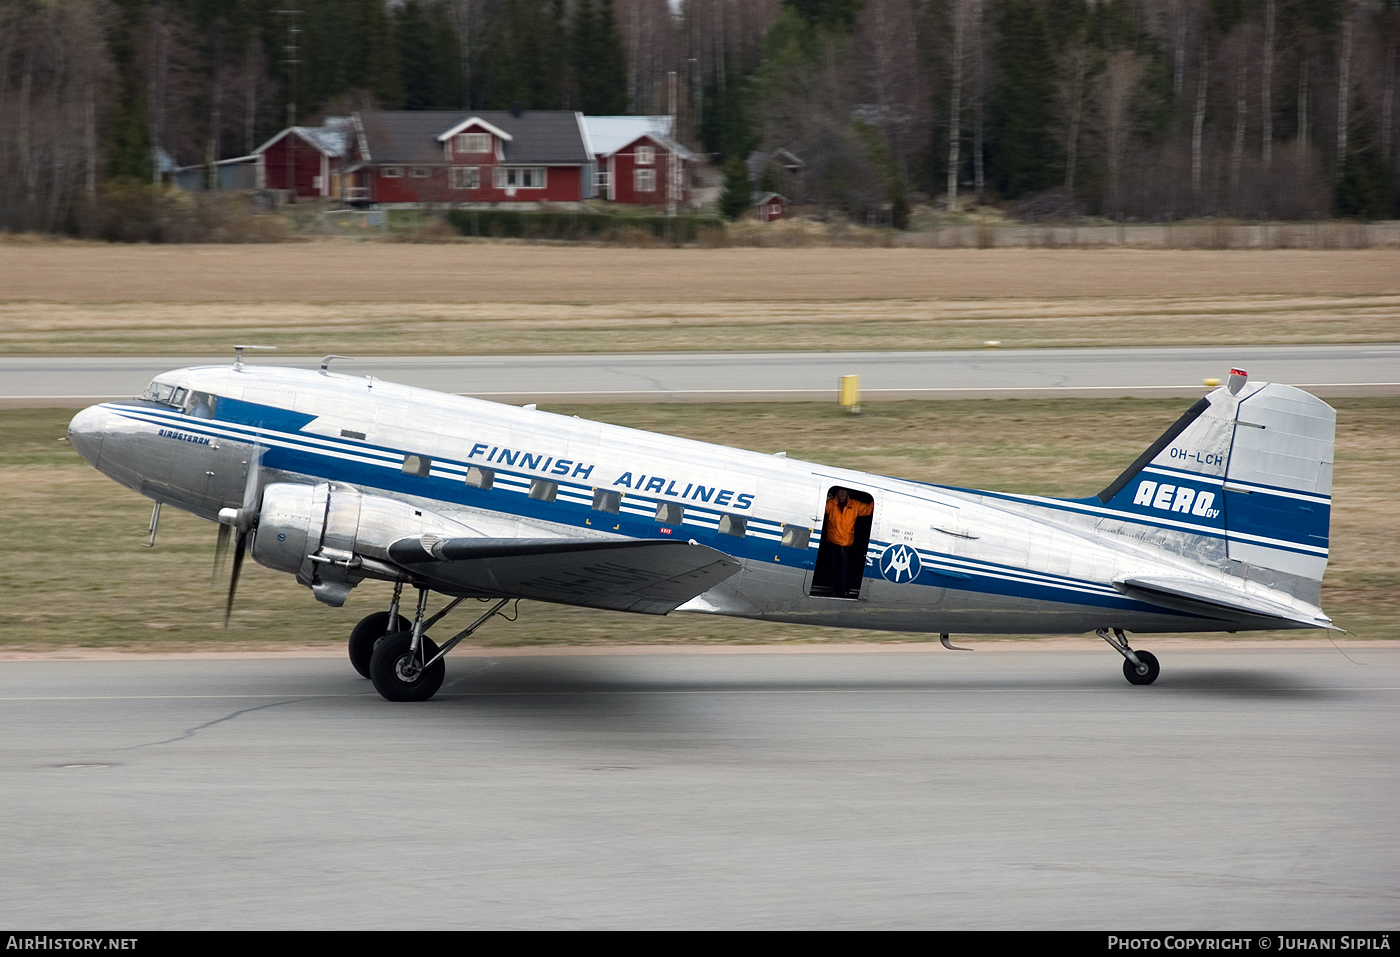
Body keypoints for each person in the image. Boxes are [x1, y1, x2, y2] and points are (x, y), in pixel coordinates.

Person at [823, 487, 873, 598]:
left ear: (847, 493)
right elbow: (819, 508)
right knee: (834, 568)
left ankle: (845, 590)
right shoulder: (831, 504)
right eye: (840, 491)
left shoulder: (855, 505)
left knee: (844, 568)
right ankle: (836, 590)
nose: (842, 494)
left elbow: (869, 509)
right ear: (837, 493)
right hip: (833, 541)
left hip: (846, 544)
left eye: (844, 492)